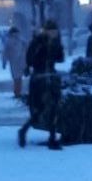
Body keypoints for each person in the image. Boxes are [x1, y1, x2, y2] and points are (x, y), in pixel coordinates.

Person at [18, 20, 65, 150]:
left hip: (51, 76)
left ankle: (52, 138)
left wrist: (57, 47)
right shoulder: (38, 42)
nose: (54, 34)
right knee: (39, 110)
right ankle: (24, 130)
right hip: (39, 77)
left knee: (54, 107)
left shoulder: (56, 43)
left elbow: (60, 58)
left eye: (55, 32)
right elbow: (31, 58)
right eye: (51, 31)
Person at [0, 26, 26, 99]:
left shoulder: (8, 41)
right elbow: (26, 51)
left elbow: (5, 53)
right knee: (19, 78)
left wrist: (4, 62)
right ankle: (18, 92)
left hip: (14, 62)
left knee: (16, 78)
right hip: (21, 62)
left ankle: (16, 92)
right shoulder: (22, 40)